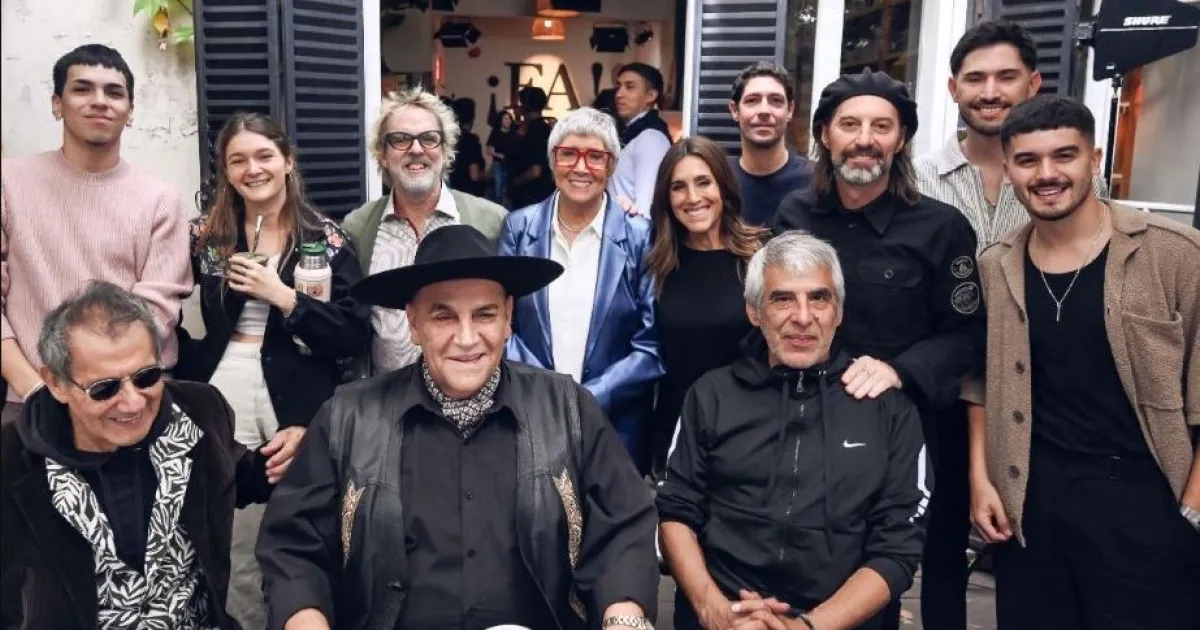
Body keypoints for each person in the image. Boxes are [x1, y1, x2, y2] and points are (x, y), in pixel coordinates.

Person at [256, 224, 659, 630]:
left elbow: (623, 528)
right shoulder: (348, 417)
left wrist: (622, 617)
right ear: (413, 323)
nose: (467, 339)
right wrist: (306, 619)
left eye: (484, 315)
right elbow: (293, 547)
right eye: (444, 316)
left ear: (508, 318)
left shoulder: (567, 408)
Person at [970, 95, 1200, 630]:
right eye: (1028, 160)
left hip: (1146, 501)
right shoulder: (996, 265)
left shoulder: (1175, 254)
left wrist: (1191, 509)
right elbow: (978, 379)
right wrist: (981, 479)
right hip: (1033, 505)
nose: (1046, 174)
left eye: (1064, 155)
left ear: (1094, 159)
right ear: (1008, 168)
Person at [773, 69, 985, 630]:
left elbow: (968, 334)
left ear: (901, 139)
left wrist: (899, 370)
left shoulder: (942, 227)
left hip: (906, 432)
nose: (864, 139)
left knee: (898, 574)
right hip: (807, 426)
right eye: (850, 124)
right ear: (825, 134)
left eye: (881, 126)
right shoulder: (794, 216)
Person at [657, 231, 930, 630]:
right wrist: (714, 610)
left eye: (819, 298)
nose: (803, 317)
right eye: (782, 299)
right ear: (754, 312)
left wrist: (808, 627)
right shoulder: (711, 395)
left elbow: (899, 547)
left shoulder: (888, 409)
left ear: (839, 311)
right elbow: (675, 511)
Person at [1, 282, 304, 630]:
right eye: (105, 389)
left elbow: (238, 476)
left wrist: (292, 451)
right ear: (56, 384)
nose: (132, 403)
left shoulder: (198, 412)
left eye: (146, 377)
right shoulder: (12, 462)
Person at [176, 112, 372, 629]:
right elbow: (166, 305)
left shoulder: (325, 238)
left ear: (287, 161)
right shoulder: (207, 236)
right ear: (225, 171)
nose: (252, 169)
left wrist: (283, 297)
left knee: (302, 521)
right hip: (224, 389)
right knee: (234, 524)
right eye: (237, 160)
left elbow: (354, 333)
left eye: (264, 156)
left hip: (300, 394)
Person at [1, 44, 192, 425]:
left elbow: (157, 312)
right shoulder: (9, 183)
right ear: (57, 104)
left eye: (114, 92)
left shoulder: (160, 200)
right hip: (32, 398)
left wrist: (101, 391)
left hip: (133, 403)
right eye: (82, 89)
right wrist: (35, 388)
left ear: (130, 111)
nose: (100, 101)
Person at [498, 107, 663, 471]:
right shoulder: (518, 229)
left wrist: (587, 399)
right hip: (531, 418)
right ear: (552, 161)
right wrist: (547, 392)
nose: (581, 167)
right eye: (568, 153)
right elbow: (499, 324)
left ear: (612, 165)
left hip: (615, 428)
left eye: (595, 156)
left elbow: (650, 346)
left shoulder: (639, 236)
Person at [342, 87, 507, 375]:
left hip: (472, 395)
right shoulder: (358, 228)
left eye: (429, 139)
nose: (416, 149)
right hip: (386, 396)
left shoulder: (492, 222)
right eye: (400, 139)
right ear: (382, 154)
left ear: (445, 151)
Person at [645, 135, 768, 478]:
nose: (693, 197)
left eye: (703, 182)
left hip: (749, 433)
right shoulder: (656, 263)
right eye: (678, 187)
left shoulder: (761, 256)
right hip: (675, 435)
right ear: (667, 198)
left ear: (723, 188)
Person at [729, 62, 814, 226]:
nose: (764, 111)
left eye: (776, 101)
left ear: (790, 110)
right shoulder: (719, 179)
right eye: (752, 100)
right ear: (734, 110)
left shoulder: (815, 182)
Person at [609, 62, 673, 217]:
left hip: (632, 229)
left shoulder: (651, 138)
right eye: (619, 86)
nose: (619, 94)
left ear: (651, 96)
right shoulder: (633, 132)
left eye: (629, 87)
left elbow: (647, 206)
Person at [507, 86, 556, 208]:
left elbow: (535, 171)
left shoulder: (535, 131)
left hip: (530, 196)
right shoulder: (546, 129)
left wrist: (513, 183)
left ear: (525, 106)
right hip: (543, 194)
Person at [448, 97, 488, 198]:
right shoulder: (471, 140)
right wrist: (490, 176)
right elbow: (474, 176)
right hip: (468, 196)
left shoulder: (447, 139)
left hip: (450, 193)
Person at [486, 109, 517, 206]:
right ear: (500, 120)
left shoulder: (514, 133)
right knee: (498, 183)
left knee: (508, 187)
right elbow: (489, 150)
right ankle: (497, 202)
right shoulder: (495, 133)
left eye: (509, 119)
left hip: (511, 163)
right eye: (505, 119)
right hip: (499, 163)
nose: (507, 121)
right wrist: (500, 155)